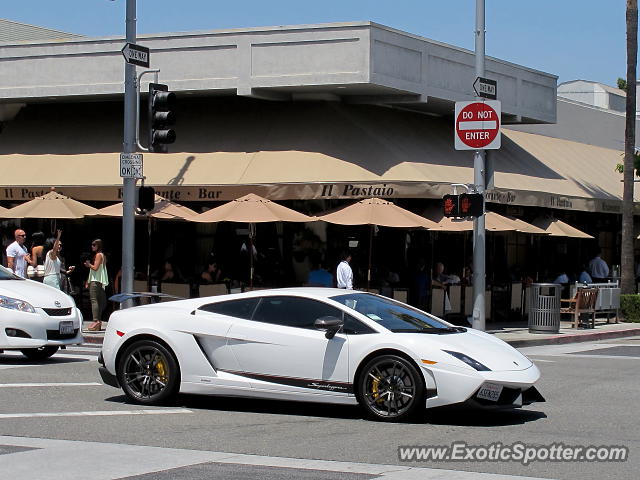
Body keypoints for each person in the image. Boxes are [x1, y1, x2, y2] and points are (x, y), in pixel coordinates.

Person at [84, 239, 108, 331]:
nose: (92, 246)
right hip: (99, 281)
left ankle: (96, 320)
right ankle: (98, 321)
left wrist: (89, 264)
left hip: (95, 281)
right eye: (92, 244)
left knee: (94, 300)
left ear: (98, 246)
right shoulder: (103, 256)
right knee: (99, 300)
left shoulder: (98, 255)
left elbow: (95, 268)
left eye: (94, 245)